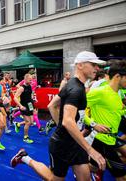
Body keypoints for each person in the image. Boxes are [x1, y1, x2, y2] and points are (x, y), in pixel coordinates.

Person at [47, 51, 106, 180]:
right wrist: (90, 150)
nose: (97, 68)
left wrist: (60, 126)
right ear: (80, 65)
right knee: (54, 179)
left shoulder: (74, 85)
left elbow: (51, 105)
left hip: (76, 142)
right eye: (93, 64)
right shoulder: (76, 89)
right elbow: (68, 121)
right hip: (62, 145)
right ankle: (25, 158)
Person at [84, 60, 126, 180]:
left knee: (94, 166)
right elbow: (78, 109)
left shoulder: (118, 94)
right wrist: (93, 124)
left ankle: (80, 167)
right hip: (103, 140)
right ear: (118, 77)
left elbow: (115, 113)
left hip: (112, 138)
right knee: (122, 177)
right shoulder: (100, 92)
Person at [13, 74, 35, 143]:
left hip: (30, 105)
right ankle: (25, 137)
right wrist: (20, 106)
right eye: (30, 80)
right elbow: (15, 98)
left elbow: (29, 96)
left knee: (31, 122)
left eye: (31, 80)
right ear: (25, 79)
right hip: (24, 106)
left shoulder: (30, 86)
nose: (31, 81)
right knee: (28, 122)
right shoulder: (21, 88)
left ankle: (18, 124)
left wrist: (33, 102)